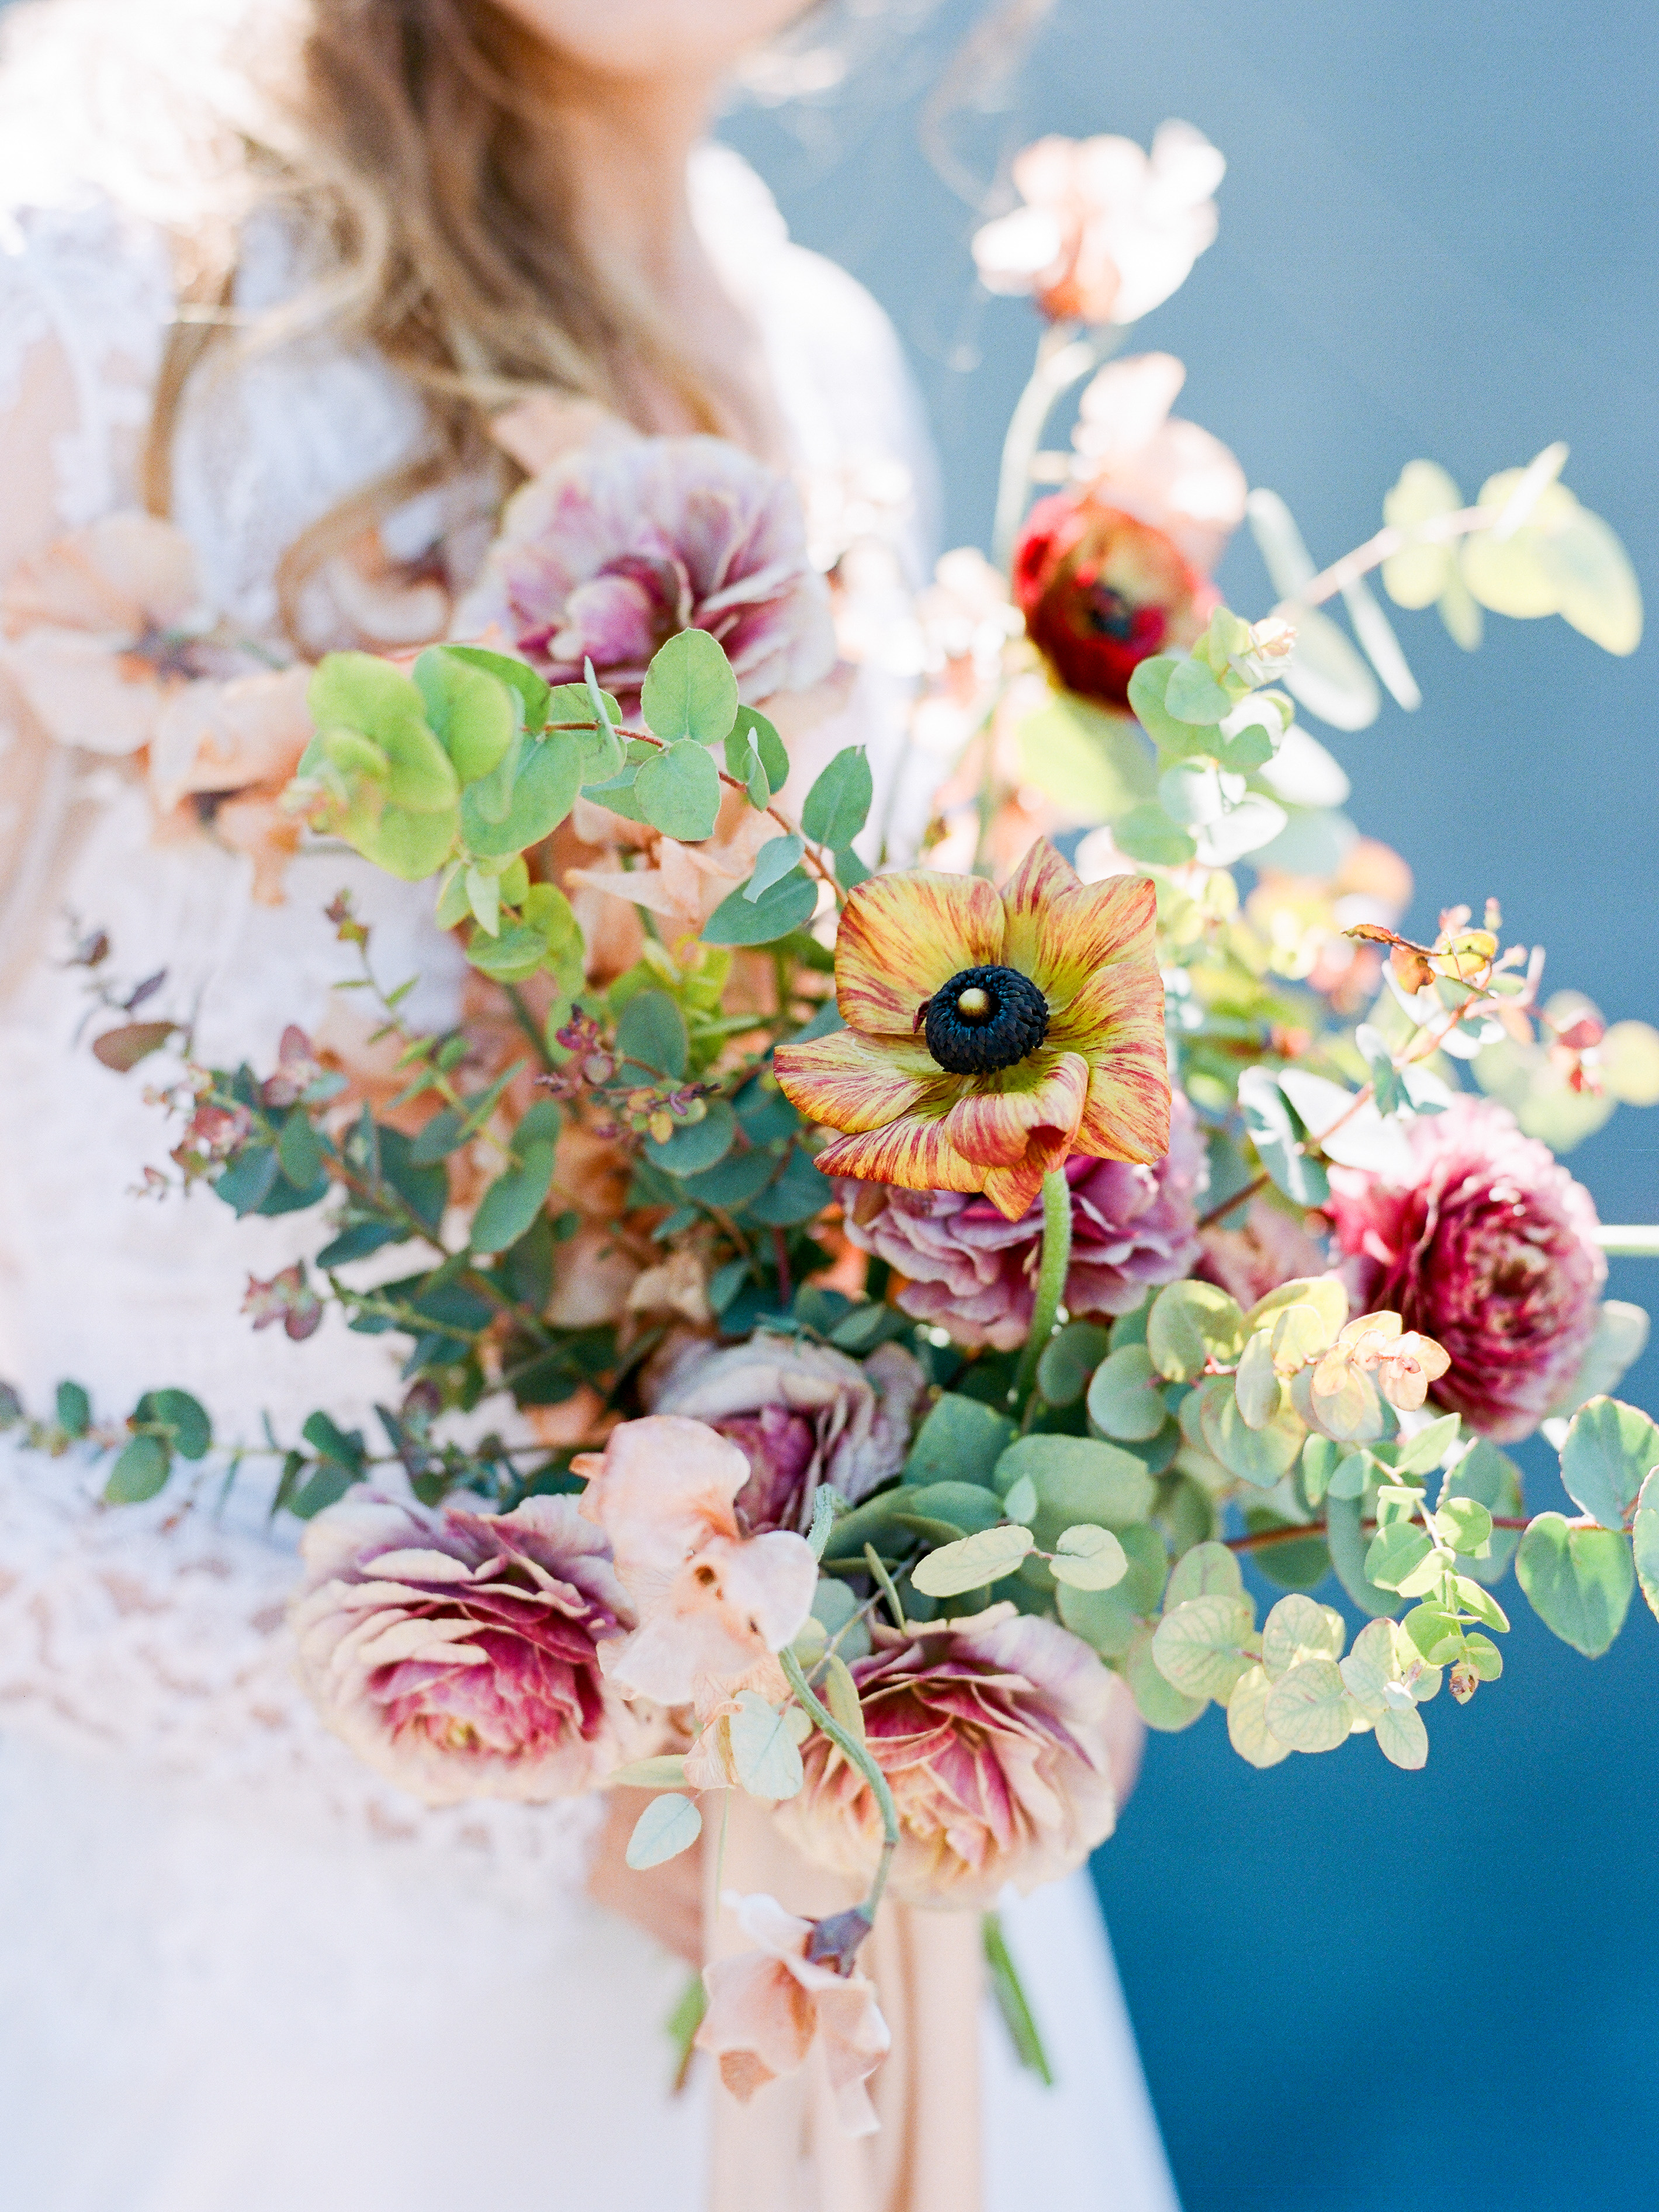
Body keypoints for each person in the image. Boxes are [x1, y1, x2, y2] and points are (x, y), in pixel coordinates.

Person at [0, 3, 1182, 2206]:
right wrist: (495, 1732)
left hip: (762, 1999)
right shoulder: (90, 306)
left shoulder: (821, 371)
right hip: (200, 2028)